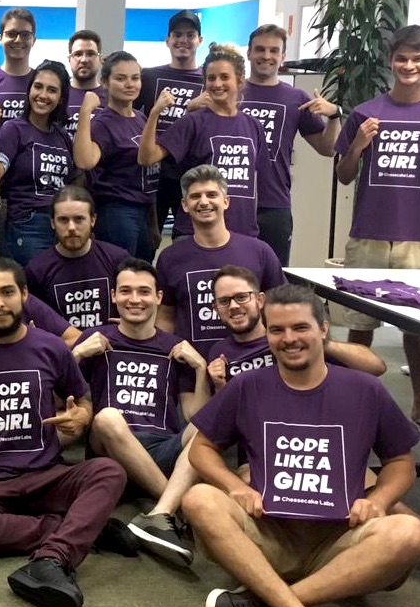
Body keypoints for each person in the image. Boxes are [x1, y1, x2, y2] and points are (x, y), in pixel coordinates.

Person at [183, 285, 420, 607]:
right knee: (199, 499)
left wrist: (378, 501)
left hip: (340, 540)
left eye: (300, 327)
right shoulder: (247, 385)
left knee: (412, 534)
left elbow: (400, 462)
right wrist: (235, 487)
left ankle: (266, 605)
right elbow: (202, 448)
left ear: (324, 329)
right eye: (277, 330)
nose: (289, 339)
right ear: (267, 334)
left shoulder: (365, 389)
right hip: (268, 534)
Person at [0, 256, 127, 607]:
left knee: (109, 472)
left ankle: (53, 558)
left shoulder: (52, 347)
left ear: (24, 294)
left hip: (48, 472)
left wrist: (81, 417)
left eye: (7, 292)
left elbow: (83, 399)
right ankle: (79, 529)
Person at [334, 24, 420, 439]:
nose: (409, 66)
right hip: (369, 232)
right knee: (360, 324)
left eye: (418, 58)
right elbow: (344, 176)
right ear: (390, 61)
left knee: (418, 326)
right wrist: (358, 145)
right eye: (401, 58)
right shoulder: (365, 112)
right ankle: (353, 404)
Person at [71, 258, 208, 566]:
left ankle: (159, 512)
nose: (135, 299)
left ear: (158, 297)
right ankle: (175, 508)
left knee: (207, 426)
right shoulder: (96, 338)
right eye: (126, 291)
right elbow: (56, 397)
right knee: (107, 417)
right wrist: (76, 354)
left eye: (144, 291)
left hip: (162, 449)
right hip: (109, 450)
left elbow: (193, 414)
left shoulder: (176, 347)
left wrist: (200, 368)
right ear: (114, 296)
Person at [138, 43, 268, 239]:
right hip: (195, 233)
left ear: (240, 81)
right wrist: (155, 113)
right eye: (211, 78)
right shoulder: (193, 122)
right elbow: (147, 158)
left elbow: (256, 180)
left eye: (224, 77)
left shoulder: (253, 125)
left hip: (242, 233)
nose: (217, 84)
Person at [155, 165, 284, 359]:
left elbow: (280, 308)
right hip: (190, 367)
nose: (204, 202)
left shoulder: (259, 251)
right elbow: (165, 317)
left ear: (226, 201)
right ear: (185, 205)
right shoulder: (170, 258)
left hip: (251, 364)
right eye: (195, 196)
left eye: (211, 195)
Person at [240, 24, 340, 264]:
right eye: (260, 49)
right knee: (229, 275)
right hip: (233, 203)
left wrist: (334, 115)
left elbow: (327, 149)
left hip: (275, 204)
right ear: (249, 53)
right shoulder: (232, 92)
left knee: (275, 277)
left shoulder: (295, 98)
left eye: (274, 51)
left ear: (283, 56)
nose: (266, 56)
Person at [207, 265, 385, 389]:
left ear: (259, 300)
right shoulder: (219, 353)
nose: (234, 306)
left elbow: (376, 367)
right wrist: (220, 385)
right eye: (224, 301)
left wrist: (320, 341)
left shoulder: (296, 338)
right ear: (215, 308)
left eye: (241, 297)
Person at [0, 60, 76, 265]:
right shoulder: (14, 129)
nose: (43, 95)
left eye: (52, 90)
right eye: (38, 86)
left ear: (61, 98)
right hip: (27, 223)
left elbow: (74, 180)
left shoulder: (62, 135)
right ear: (29, 90)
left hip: (61, 223)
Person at [73, 51, 158, 260]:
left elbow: (148, 175)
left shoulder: (141, 118)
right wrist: (85, 111)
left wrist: (153, 222)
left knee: (142, 274)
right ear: (105, 82)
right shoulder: (103, 123)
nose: (129, 84)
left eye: (135, 78)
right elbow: (84, 161)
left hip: (144, 210)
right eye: (120, 78)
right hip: (117, 211)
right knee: (120, 271)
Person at [25, 186, 129, 344]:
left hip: (112, 349)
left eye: (79, 219)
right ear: (52, 223)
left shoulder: (117, 259)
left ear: (93, 220)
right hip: (63, 353)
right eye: (63, 220)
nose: (71, 227)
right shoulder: (36, 270)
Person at [135, 10, 205, 237]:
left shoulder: (208, 80)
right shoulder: (148, 77)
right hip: (152, 175)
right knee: (147, 241)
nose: (183, 40)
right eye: (177, 34)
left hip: (192, 175)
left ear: (199, 40)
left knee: (189, 240)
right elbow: (128, 116)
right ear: (167, 40)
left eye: (190, 35)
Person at [0, 8, 37, 121]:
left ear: (33, 40)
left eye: (25, 34)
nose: (18, 40)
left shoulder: (41, 81)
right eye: (11, 34)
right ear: (0, 39)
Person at [65, 30, 106, 136]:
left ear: (100, 59)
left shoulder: (110, 98)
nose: (84, 60)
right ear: (69, 59)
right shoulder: (59, 95)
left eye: (90, 54)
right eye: (78, 54)